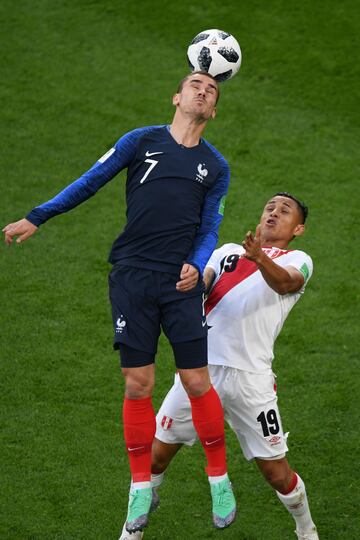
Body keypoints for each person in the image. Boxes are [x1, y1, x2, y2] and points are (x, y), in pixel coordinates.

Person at [3, 72, 237, 534]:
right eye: (195, 83)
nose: (203, 90)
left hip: (180, 281)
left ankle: (219, 478)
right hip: (132, 276)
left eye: (211, 90)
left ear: (213, 111)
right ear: (176, 96)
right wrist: (37, 217)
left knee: (195, 379)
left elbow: (210, 226)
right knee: (137, 383)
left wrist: (196, 262)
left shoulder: (216, 166)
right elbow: (90, 181)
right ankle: (139, 490)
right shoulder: (140, 141)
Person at [120, 193, 319, 540]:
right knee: (153, 457)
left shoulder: (299, 259)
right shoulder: (227, 251)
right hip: (199, 373)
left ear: (298, 228)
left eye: (285, 211)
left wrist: (258, 258)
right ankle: (131, 533)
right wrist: (183, 280)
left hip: (251, 381)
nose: (274, 212)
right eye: (269, 206)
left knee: (276, 473)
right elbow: (202, 284)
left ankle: (306, 529)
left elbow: (286, 283)